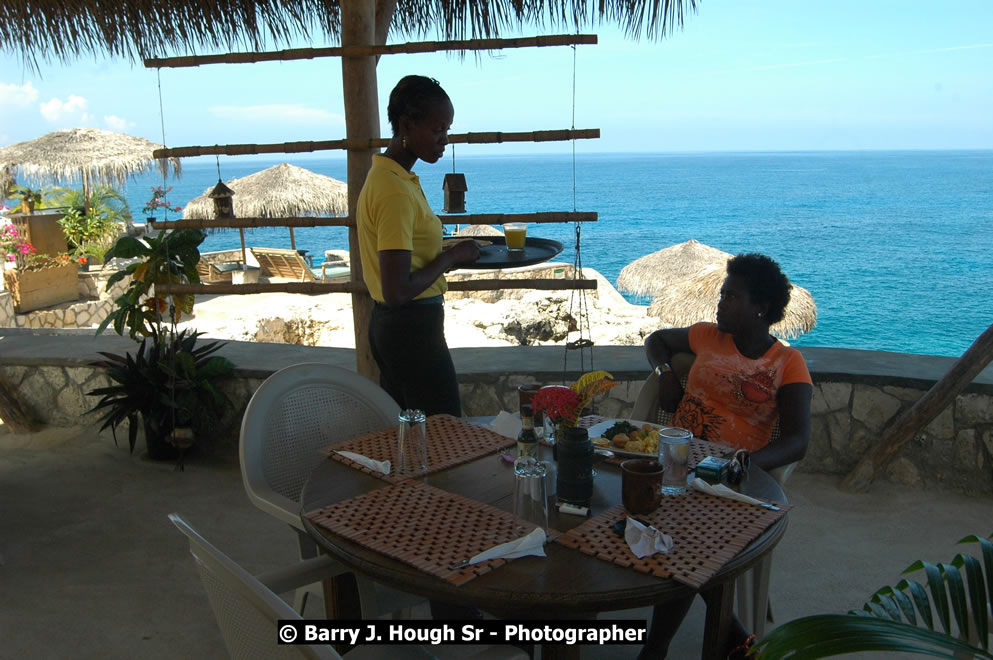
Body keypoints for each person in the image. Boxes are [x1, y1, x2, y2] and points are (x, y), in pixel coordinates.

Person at [640, 252, 813, 658]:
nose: (720, 303)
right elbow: (657, 340)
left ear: (760, 309)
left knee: (685, 539)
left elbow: (797, 440)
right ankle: (735, 634)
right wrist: (666, 374)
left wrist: (742, 464)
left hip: (730, 479)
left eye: (731, 297)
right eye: (722, 294)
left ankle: (656, 647)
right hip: (673, 464)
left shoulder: (787, 363)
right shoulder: (706, 336)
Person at [357, 75, 480, 417]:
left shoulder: (391, 177)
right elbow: (396, 289)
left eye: (448, 129)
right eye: (438, 129)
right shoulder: (394, 190)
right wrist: (451, 257)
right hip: (410, 329)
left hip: (394, 327)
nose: (445, 140)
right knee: (445, 435)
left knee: (412, 439)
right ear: (408, 124)